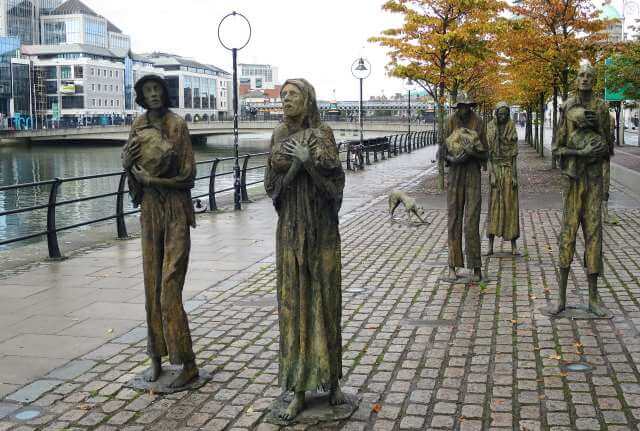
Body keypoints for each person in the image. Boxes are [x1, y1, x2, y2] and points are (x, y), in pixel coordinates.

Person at [264, 78, 346, 421]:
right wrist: (297, 164)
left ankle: (332, 382)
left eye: (292, 95)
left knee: (327, 301)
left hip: (322, 231)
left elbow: (334, 190)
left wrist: (309, 164)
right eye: (283, 96)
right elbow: (273, 190)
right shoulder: (279, 136)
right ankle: (297, 387)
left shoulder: (324, 133)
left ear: (307, 99)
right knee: (294, 304)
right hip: (292, 231)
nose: (285, 101)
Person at [121, 74, 198, 388]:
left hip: (176, 211)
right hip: (150, 212)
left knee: (169, 288)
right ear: (141, 95)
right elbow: (134, 174)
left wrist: (156, 182)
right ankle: (155, 358)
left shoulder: (177, 125)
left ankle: (187, 363)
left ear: (164, 93)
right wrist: (127, 165)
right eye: (146, 90)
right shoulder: (138, 126)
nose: (152, 94)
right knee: (151, 286)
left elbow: (189, 176)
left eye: (156, 89)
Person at [551, 63, 611, 317]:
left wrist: (598, 130)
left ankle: (594, 298)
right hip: (573, 180)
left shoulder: (602, 107)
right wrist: (580, 152)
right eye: (581, 75)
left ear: (594, 81)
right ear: (576, 79)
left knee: (594, 235)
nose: (585, 79)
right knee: (568, 233)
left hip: (594, 180)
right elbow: (557, 149)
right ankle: (561, 296)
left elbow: (609, 149)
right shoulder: (567, 107)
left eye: (589, 76)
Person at [443, 93, 489, 282]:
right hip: (455, 174)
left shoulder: (479, 122)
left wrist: (472, 153)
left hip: (472, 174)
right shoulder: (449, 121)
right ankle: (453, 265)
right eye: (460, 106)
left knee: (472, 219)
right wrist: (453, 159)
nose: (463, 110)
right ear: (456, 107)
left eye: (466, 106)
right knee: (454, 218)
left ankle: (476, 266)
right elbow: (442, 152)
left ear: (471, 106)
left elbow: (486, 154)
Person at [486, 102, 520, 255]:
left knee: (510, 206)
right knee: (494, 206)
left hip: (507, 170)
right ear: (496, 113)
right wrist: (492, 174)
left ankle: (513, 245)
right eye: (501, 114)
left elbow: (513, 156)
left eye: (506, 114)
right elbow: (488, 155)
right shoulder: (490, 127)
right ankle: (490, 246)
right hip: (495, 170)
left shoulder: (511, 127)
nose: (503, 116)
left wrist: (513, 175)